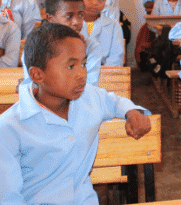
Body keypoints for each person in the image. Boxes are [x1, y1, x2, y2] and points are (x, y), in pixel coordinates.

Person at [0, 22, 151, 204]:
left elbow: (115, 101)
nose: (82, 74)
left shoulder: (89, 97)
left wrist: (131, 111)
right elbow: (8, 198)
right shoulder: (9, 127)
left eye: (84, 64)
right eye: (71, 66)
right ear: (37, 75)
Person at [21, 0, 103, 86]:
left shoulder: (91, 47)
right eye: (69, 16)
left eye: (80, 15)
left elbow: (88, 88)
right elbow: (34, 89)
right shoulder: (34, 47)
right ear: (50, 18)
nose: (76, 22)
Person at [79, 0, 124, 66]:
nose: (95, 2)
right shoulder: (72, 23)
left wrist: (99, 75)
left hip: (105, 75)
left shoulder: (114, 25)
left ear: (105, 2)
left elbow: (116, 59)